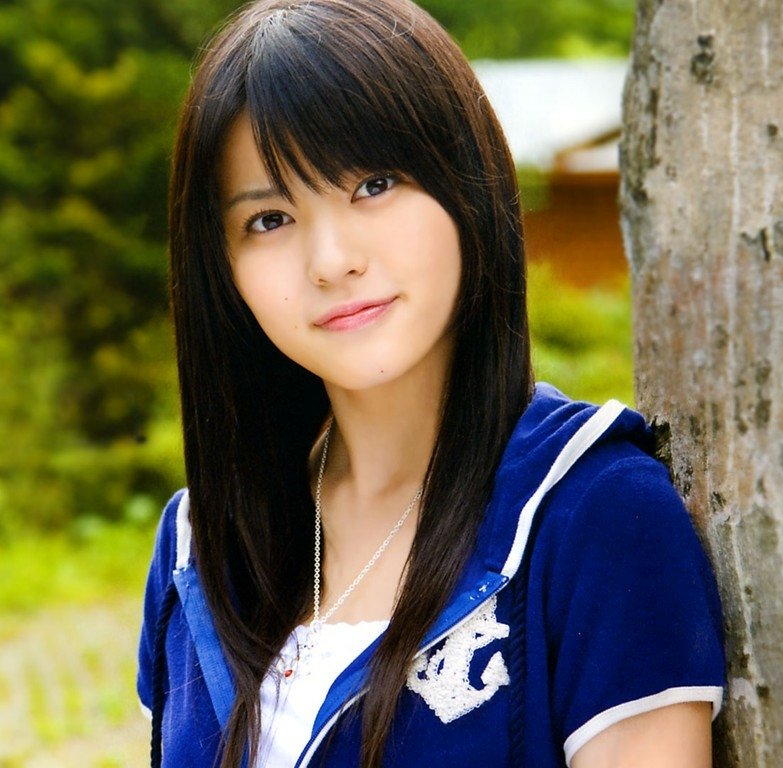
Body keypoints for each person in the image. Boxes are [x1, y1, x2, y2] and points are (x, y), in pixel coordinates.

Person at [135, 0, 726, 766]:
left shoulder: (594, 516)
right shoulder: (202, 547)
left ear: (467, 187)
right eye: (270, 219)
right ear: (222, 268)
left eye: (374, 184)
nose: (331, 260)